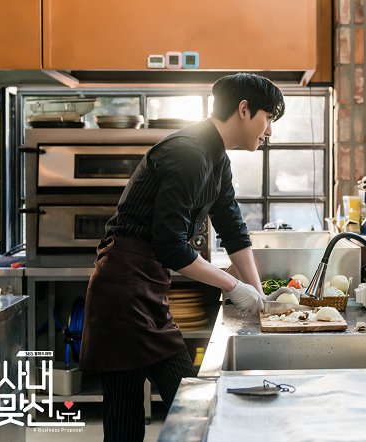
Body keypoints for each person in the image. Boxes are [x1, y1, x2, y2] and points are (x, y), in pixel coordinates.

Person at [79, 73, 285, 441]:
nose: (269, 130)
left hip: (146, 291)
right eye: (268, 118)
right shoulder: (189, 152)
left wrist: (260, 298)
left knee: (192, 404)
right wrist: (235, 286)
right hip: (123, 294)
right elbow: (171, 246)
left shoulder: (216, 158)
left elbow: (232, 229)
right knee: (137, 420)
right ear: (243, 109)